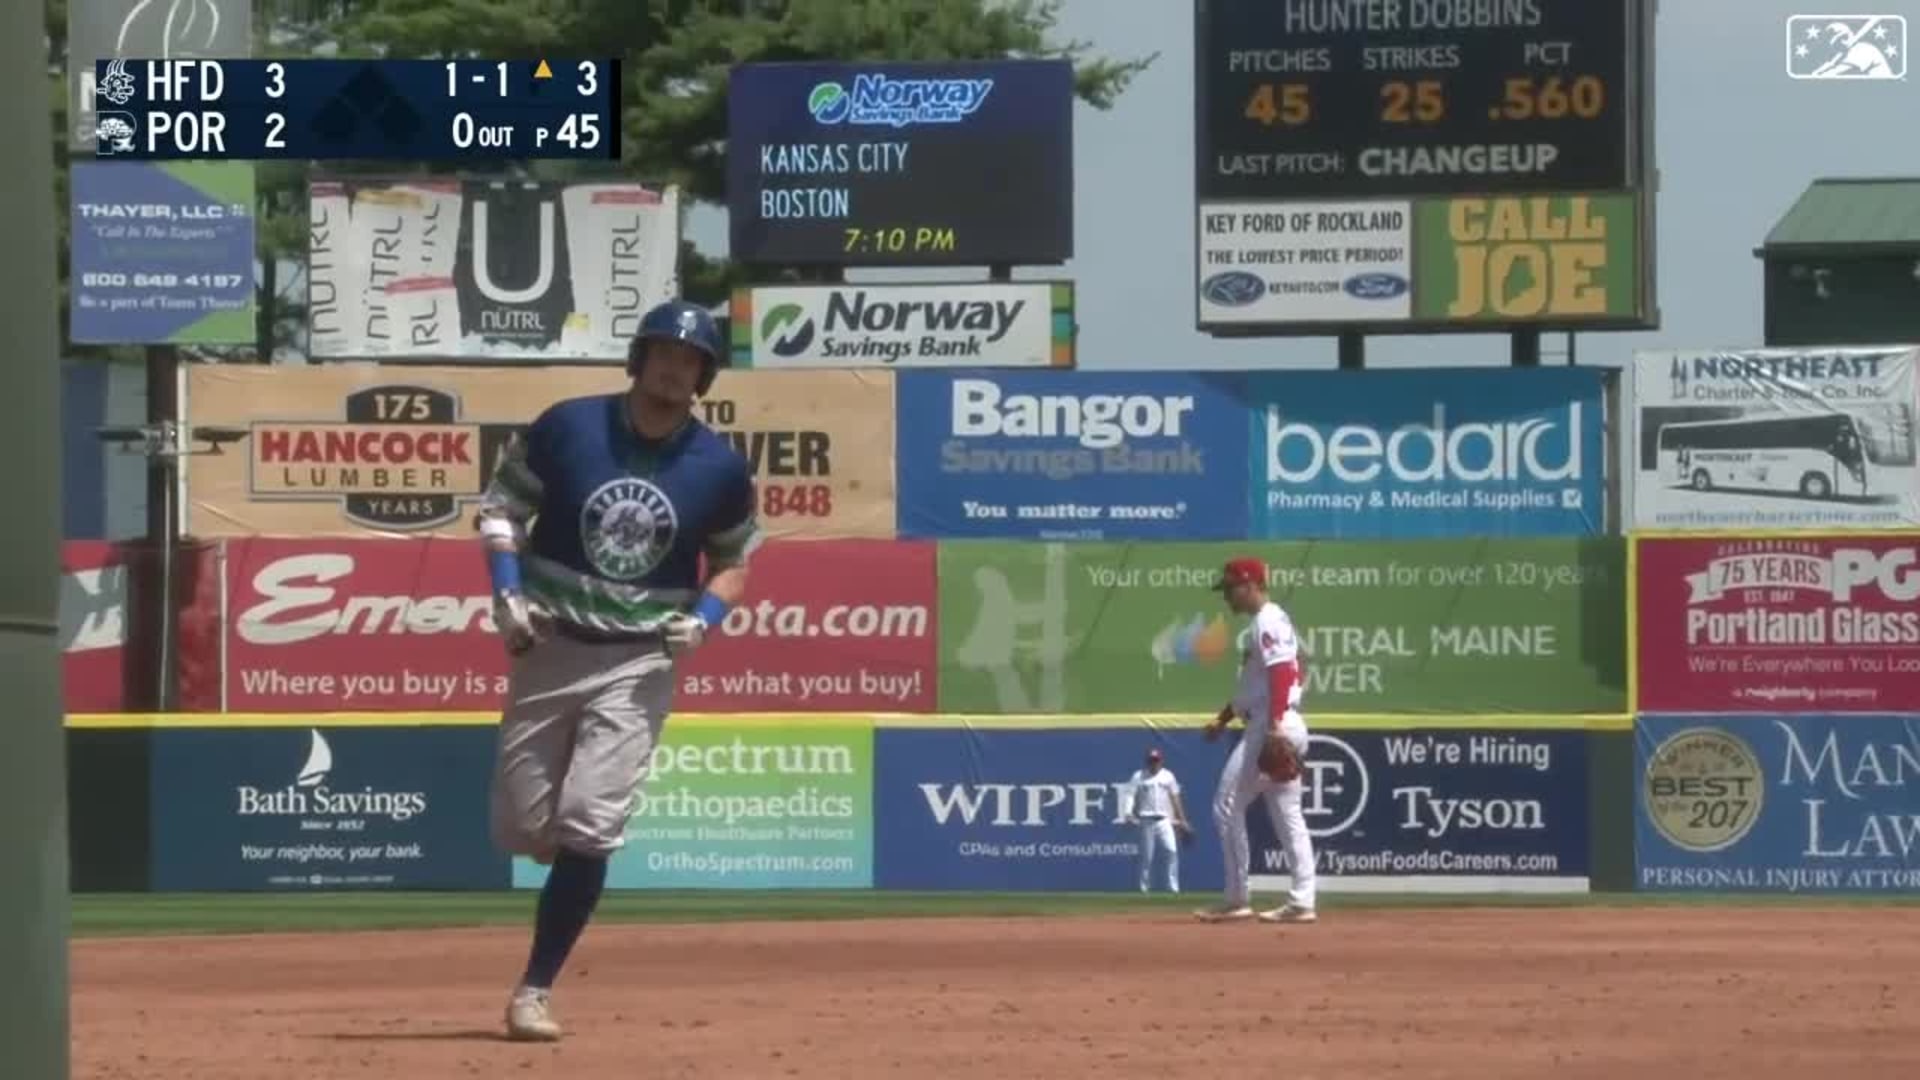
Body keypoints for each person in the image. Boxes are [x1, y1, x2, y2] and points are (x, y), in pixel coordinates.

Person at [475, 299, 760, 1041]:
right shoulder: (569, 425)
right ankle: (558, 853)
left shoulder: (721, 468)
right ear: (639, 357)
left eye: (692, 358)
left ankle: (533, 990)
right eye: (665, 351)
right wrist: (506, 592)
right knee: (525, 825)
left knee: (589, 825)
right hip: (549, 646)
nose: (676, 366)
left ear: (705, 374)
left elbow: (733, 567)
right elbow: (501, 509)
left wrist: (703, 621)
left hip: (638, 661)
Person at [1193, 556, 1318, 925]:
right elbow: (1252, 686)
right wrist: (1223, 719)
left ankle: (1237, 898)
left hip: (1273, 724)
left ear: (1248, 585)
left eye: (1230, 588)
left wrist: (1275, 726)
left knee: (1226, 805)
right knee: (1288, 814)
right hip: (1275, 719)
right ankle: (1302, 900)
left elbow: (1281, 673)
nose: (1227, 597)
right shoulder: (1264, 624)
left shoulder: (1268, 621)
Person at [1121, 747, 1191, 894]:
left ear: (1161, 761)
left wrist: (1182, 820)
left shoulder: (1168, 776)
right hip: (1146, 820)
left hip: (1164, 819)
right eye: (1151, 761)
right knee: (1147, 856)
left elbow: (1175, 798)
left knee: (1172, 851)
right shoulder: (1139, 776)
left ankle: (1174, 888)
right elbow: (1130, 795)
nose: (1154, 763)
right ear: (1147, 761)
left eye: (1156, 760)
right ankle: (1144, 889)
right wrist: (1128, 813)